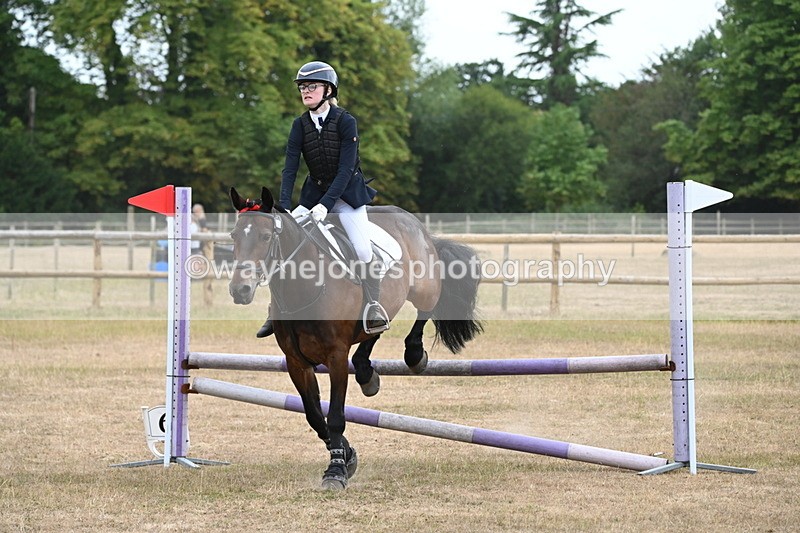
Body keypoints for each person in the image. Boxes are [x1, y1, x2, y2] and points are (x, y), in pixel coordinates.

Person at [256, 60, 389, 338]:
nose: (305, 91)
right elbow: (290, 167)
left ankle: (373, 306)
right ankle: (274, 309)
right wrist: (285, 208)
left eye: (311, 86)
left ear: (328, 89)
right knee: (283, 240)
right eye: (302, 87)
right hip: (313, 195)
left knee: (363, 251)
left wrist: (325, 205)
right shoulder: (299, 125)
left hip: (347, 197)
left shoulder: (346, 122)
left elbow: (345, 169)